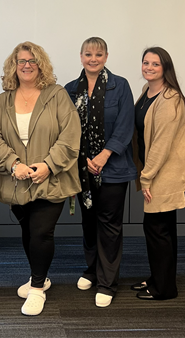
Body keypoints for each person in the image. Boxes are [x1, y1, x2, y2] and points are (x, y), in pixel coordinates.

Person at [0, 41, 81, 316]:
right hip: (16, 181)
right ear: (13, 66)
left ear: (41, 65)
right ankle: (41, 275)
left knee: (41, 231)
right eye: (21, 61)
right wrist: (13, 164)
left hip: (52, 179)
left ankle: (37, 288)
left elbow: (70, 135)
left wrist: (49, 165)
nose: (27, 66)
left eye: (32, 61)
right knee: (27, 230)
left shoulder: (57, 95)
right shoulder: (3, 100)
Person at [65, 36, 136, 308]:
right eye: (88, 54)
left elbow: (125, 125)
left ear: (106, 57)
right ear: (81, 56)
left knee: (109, 225)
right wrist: (85, 158)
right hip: (82, 169)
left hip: (113, 168)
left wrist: (104, 155)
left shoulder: (121, 86)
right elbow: (67, 131)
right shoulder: (71, 90)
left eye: (98, 54)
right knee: (88, 221)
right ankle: (92, 270)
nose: (93, 59)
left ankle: (107, 282)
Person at [131, 47, 185, 300]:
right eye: (145, 62)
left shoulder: (170, 98)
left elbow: (161, 143)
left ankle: (164, 289)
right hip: (155, 170)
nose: (148, 67)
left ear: (165, 68)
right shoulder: (148, 92)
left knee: (158, 229)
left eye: (155, 64)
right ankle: (159, 278)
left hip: (167, 172)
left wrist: (146, 177)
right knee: (162, 229)